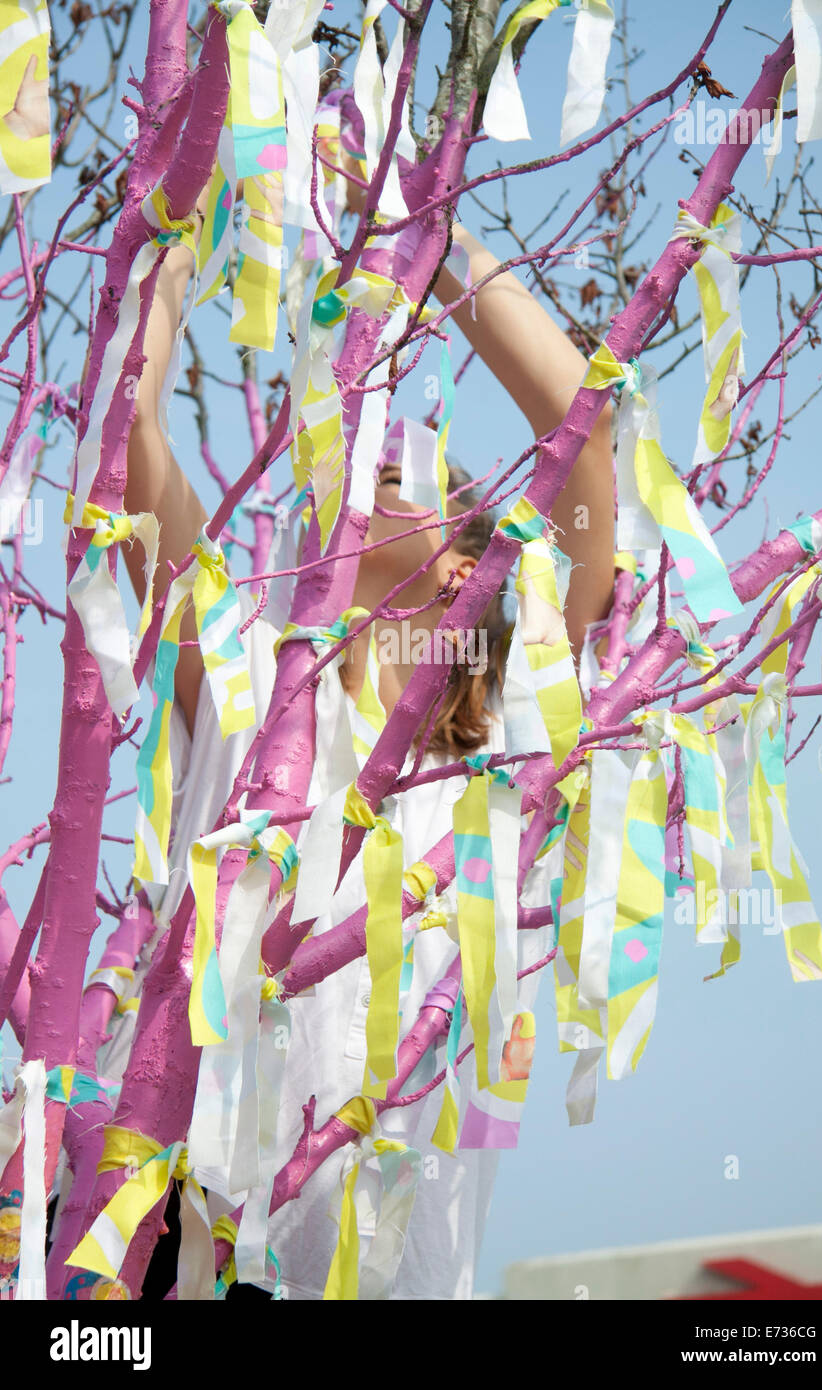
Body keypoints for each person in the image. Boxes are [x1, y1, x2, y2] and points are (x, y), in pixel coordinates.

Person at [118, 159, 615, 1299]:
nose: (378, 447)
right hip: (170, 1266)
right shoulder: (243, 675)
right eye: (369, 442)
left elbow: (579, 438)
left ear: (462, 572)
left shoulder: (500, 759)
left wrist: (414, 225)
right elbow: (133, 425)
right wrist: (194, 222)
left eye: (410, 470)